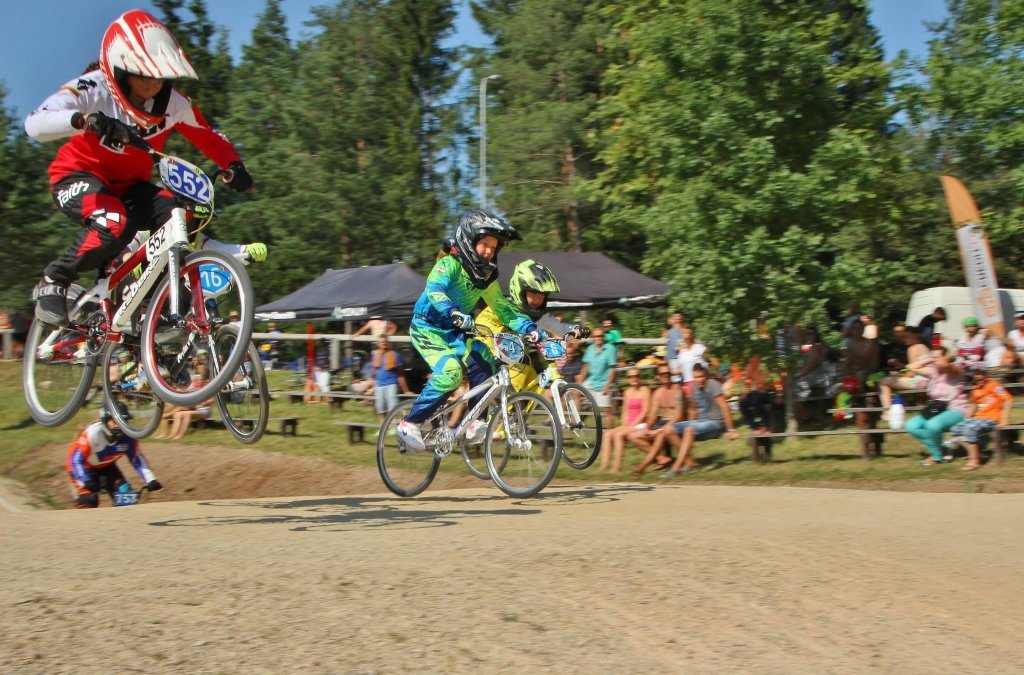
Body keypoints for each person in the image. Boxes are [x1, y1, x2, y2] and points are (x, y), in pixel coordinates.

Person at [25, 9, 264, 327]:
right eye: (142, 75)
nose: (151, 86)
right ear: (120, 70)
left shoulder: (174, 105)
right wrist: (84, 120)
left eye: (158, 77)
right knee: (114, 223)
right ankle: (55, 279)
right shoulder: (93, 89)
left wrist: (234, 165)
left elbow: (209, 137)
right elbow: (34, 123)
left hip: (129, 188)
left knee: (179, 214)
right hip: (78, 178)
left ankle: (160, 307)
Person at [396, 210, 543, 451]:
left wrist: (529, 328)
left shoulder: (486, 277)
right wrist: (453, 311)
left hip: (455, 331)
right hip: (427, 328)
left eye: (494, 247)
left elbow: (503, 308)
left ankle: (476, 422)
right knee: (452, 373)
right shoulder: (449, 264)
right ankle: (409, 423)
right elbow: (435, 291)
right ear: (469, 241)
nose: (489, 251)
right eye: (485, 244)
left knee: (485, 359)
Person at [473, 258, 589, 393]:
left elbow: (559, 327)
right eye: (533, 294)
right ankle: (504, 410)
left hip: (510, 352)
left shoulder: (536, 316)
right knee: (520, 369)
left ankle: (518, 410)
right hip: (485, 340)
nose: (537, 300)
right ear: (520, 291)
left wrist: (575, 329)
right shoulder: (505, 308)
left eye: (541, 296)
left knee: (531, 375)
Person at [66, 403, 161, 508]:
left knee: (126, 496)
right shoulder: (92, 434)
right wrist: (85, 481)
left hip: (107, 467)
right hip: (82, 468)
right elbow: (75, 461)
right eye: (115, 421)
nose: (119, 425)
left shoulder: (129, 438)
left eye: (123, 421)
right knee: (87, 502)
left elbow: (137, 459)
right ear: (105, 421)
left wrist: (150, 479)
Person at [660, 363, 739, 477]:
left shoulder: (713, 384)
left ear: (706, 375)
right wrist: (691, 422)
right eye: (696, 377)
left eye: (701, 376)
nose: (699, 380)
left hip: (716, 424)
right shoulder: (693, 387)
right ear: (693, 376)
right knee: (668, 429)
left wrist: (731, 430)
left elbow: (724, 407)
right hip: (701, 422)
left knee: (689, 429)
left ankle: (676, 468)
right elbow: (693, 409)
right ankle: (690, 463)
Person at [904, 345, 968, 466]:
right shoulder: (933, 371)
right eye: (932, 357)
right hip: (936, 408)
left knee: (932, 425)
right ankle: (941, 447)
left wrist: (944, 360)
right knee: (911, 425)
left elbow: (946, 366)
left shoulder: (956, 368)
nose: (934, 360)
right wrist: (929, 360)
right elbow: (910, 367)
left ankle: (936, 456)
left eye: (937, 357)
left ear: (946, 357)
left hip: (955, 408)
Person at [944, 364, 1012, 471]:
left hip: (991, 418)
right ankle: (978, 453)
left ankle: (974, 461)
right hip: (978, 418)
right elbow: (973, 405)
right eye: (976, 373)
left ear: (986, 373)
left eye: (980, 373)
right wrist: (966, 419)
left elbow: (1008, 399)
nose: (978, 376)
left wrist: (1004, 419)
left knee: (969, 429)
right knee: (955, 429)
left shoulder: (994, 385)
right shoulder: (975, 389)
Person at [629, 365, 685, 475]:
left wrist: (660, 430)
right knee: (633, 436)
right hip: (662, 422)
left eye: (668, 374)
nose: (665, 376)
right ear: (658, 376)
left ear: (671, 374)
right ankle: (661, 458)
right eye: (662, 374)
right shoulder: (657, 393)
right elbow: (652, 416)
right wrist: (648, 427)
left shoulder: (678, 390)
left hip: (676, 423)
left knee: (660, 435)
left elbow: (679, 415)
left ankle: (642, 466)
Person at [598, 368, 652, 473]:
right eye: (631, 377)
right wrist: (624, 424)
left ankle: (617, 467)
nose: (634, 378)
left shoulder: (645, 390)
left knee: (618, 435)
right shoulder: (627, 392)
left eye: (636, 376)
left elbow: (645, 412)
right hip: (629, 424)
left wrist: (631, 425)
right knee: (607, 434)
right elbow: (625, 411)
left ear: (640, 377)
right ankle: (604, 466)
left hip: (640, 424)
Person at [879, 327, 932, 419]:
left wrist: (899, 375)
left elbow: (912, 373)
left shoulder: (912, 348)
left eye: (907, 336)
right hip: (929, 379)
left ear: (915, 336)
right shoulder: (924, 346)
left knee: (883, 382)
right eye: (904, 337)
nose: (905, 339)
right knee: (895, 381)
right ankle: (900, 410)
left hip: (920, 381)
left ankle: (887, 412)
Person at [577, 328, 619, 432]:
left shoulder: (609, 348)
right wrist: (579, 384)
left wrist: (607, 386)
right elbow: (585, 366)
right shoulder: (590, 349)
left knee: (607, 410)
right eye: (596, 336)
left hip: (604, 383)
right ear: (593, 338)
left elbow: (613, 369)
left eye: (600, 336)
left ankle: (610, 433)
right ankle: (576, 420)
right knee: (575, 392)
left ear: (603, 337)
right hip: (591, 381)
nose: (598, 338)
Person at [371, 334, 409, 421]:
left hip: (391, 383)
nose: (383, 343)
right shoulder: (375, 355)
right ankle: (382, 427)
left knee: (393, 408)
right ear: (378, 343)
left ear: (388, 342)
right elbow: (374, 374)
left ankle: (394, 426)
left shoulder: (395, 355)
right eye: (381, 342)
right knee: (380, 408)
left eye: (384, 342)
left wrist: (406, 390)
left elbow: (400, 374)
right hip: (379, 385)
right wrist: (373, 387)